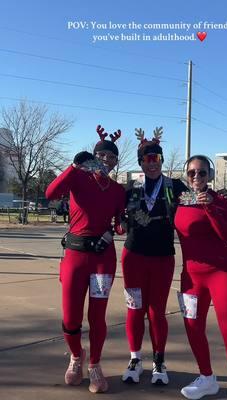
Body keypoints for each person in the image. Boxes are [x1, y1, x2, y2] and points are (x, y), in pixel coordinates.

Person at [46, 124, 125, 393]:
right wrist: (72, 166)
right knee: (70, 317)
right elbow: (50, 193)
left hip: (103, 257)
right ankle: (76, 356)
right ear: (93, 158)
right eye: (101, 156)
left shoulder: (117, 189)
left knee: (98, 317)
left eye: (111, 158)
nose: (106, 161)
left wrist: (122, 225)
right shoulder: (78, 179)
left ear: (116, 162)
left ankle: (95, 364)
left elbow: (119, 221)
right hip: (75, 255)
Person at [174, 155, 227, 400]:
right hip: (192, 277)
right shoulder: (181, 201)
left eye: (202, 173)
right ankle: (207, 378)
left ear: (210, 176)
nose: (196, 177)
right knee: (193, 327)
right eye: (192, 173)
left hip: (223, 273)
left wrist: (209, 208)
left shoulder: (220, 201)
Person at [121, 127, 187, 385]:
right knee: (135, 308)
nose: (152, 164)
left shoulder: (175, 186)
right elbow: (109, 209)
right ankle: (135, 358)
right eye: (147, 160)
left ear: (161, 160)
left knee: (156, 311)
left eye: (156, 159)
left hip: (162, 257)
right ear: (140, 162)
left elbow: (197, 206)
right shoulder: (131, 188)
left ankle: (159, 360)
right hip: (133, 255)